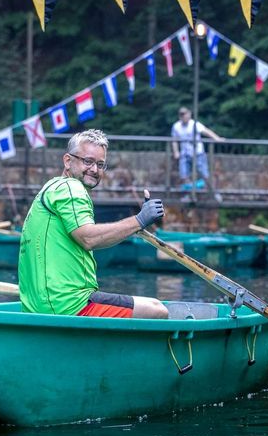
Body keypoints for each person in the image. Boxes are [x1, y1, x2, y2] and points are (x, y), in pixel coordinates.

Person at [18, 129, 168, 319]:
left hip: (40, 307)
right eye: (87, 161)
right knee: (157, 310)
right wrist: (140, 220)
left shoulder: (50, 188)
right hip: (68, 305)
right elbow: (88, 237)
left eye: (100, 164)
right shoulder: (71, 188)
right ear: (67, 161)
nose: (94, 170)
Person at [171, 107, 225, 203]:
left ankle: (214, 193)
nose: (183, 116)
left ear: (189, 114)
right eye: (181, 114)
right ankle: (188, 194)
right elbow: (174, 140)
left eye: (185, 114)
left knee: (205, 175)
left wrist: (217, 138)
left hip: (198, 153)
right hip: (185, 154)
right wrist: (176, 152)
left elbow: (206, 131)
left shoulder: (194, 124)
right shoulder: (176, 126)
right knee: (184, 176)